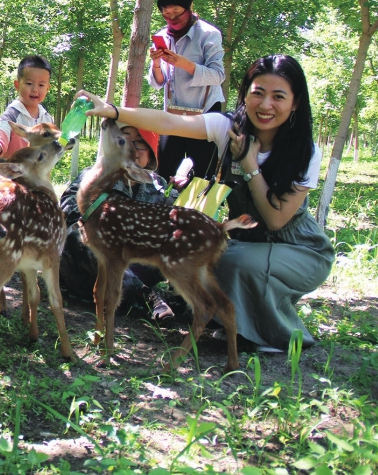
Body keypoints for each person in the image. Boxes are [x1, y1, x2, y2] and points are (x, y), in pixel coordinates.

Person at [80, 54, 335, 353]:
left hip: (297, 247)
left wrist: (249, 162)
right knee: (194, 253)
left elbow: (276, 220)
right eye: (258, 93)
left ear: (295, 102)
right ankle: (225, 315)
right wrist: (113, 111)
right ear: (245, 95)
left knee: (234, 263)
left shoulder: (306, 152)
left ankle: (275, 335)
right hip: (246, 238)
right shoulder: (227, 128)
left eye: (278, 96)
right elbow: (170, 121)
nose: (266, 105)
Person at [59, 125, 182, 320]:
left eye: (140, 143)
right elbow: (68, 207)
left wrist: (179, 193)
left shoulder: (158, 185)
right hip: (90, 267)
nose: (131, 149)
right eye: (124, 141)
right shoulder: (94, 174)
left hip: (136, 260)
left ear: (150, 154)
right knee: (82, 237)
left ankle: (183, 298)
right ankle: (145, 296)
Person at [148, 0, 226, 181]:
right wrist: (156, 63)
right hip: (173, 116)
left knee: (200, 179)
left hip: (204, 116)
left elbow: (218, 75)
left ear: (190, 7)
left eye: (177, 12)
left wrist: (184, 63)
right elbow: (158, 83)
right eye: (166, 14)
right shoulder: (161, 36)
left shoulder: (209, 34)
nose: (172, 19)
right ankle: (164, 212)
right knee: (163, 175)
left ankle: (196, 213)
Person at [0, 55, 54, 158]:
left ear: (47, 88)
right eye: (29, 83)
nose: (35, 89)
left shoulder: (47, 118)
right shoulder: (13, 113)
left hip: (36, 172)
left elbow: (54, 141)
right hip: (13, 170)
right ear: (17, 85)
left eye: (41, 85)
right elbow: (3, 130)